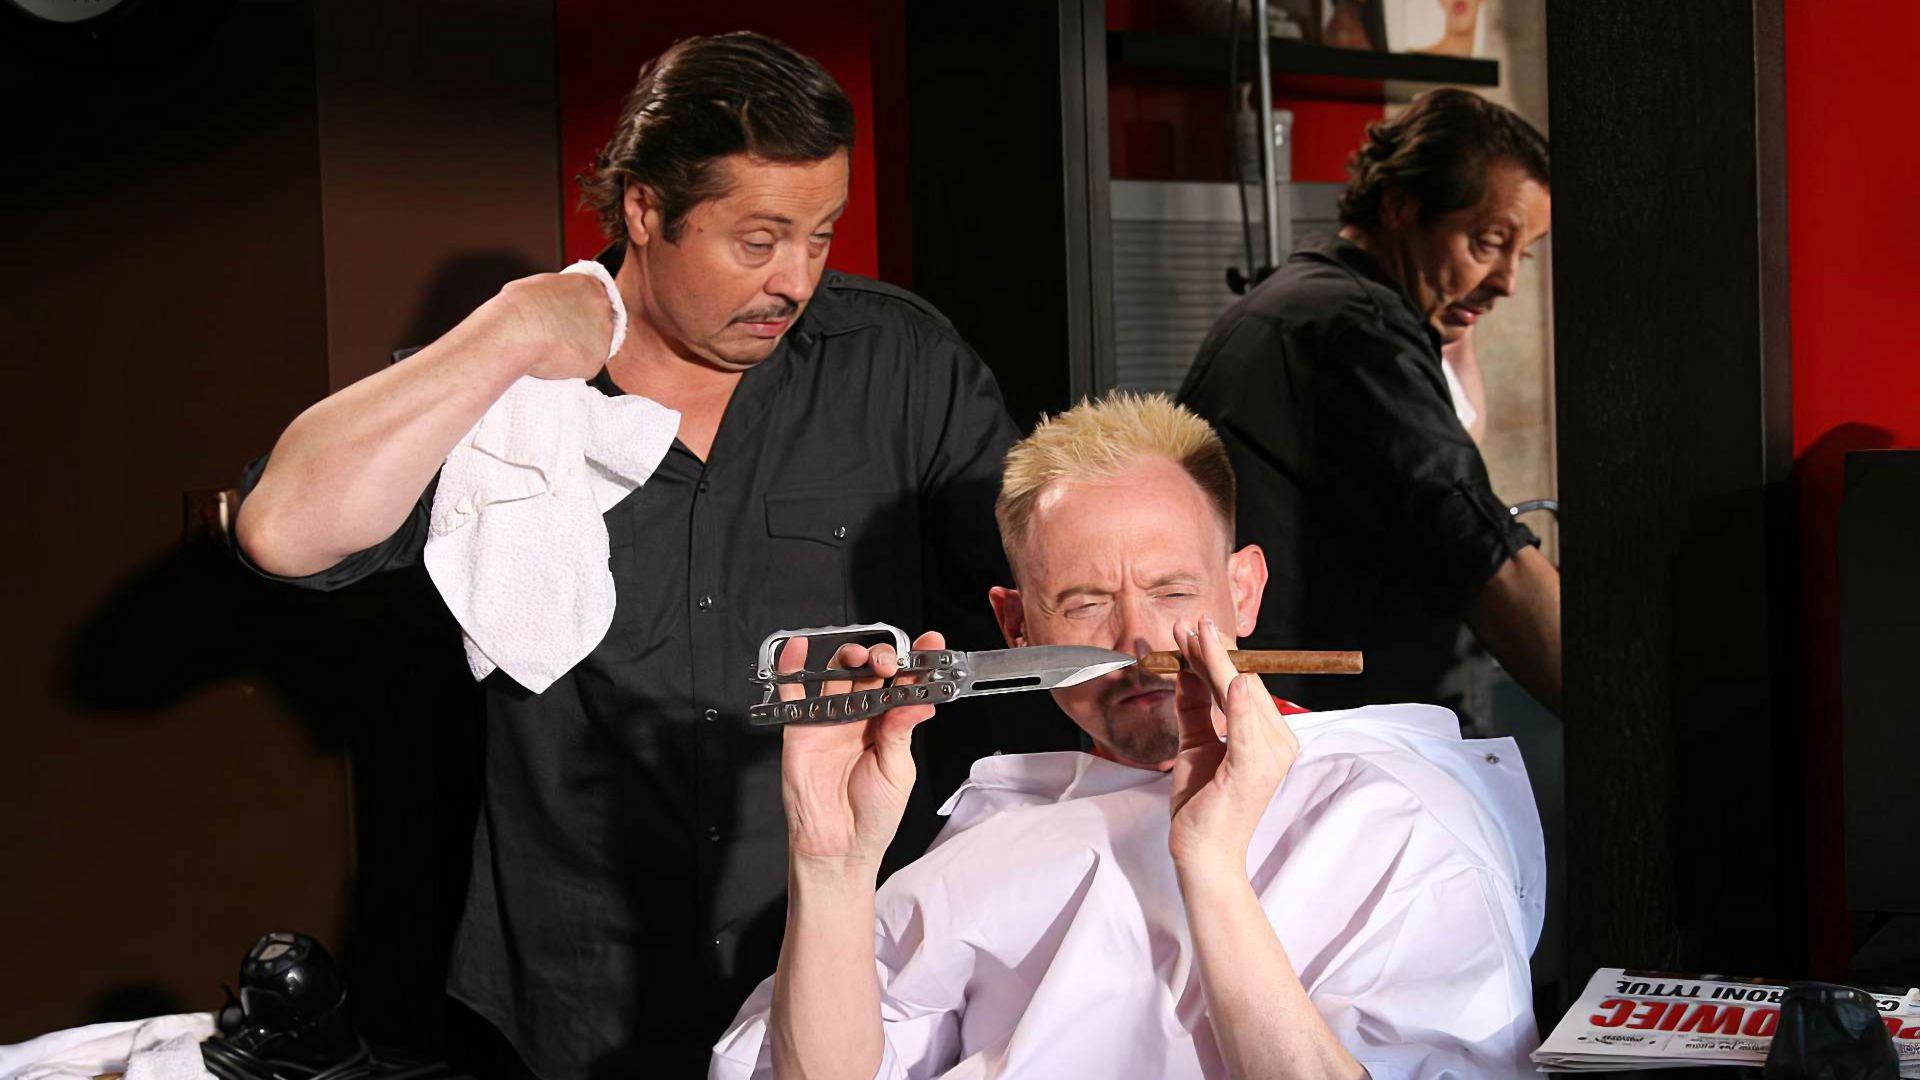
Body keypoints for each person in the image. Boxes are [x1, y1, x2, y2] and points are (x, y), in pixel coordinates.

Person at [234, 32, 1031, 1080]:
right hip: (578, 989)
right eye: (758, 240)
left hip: (854, 967)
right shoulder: (511, 390)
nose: (794, 279)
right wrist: (507, 332)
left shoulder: (899, 363)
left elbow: (1033, 584)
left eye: (820, 235)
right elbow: (282, 531)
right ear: (646, 210)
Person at [711, 394, 1545, 1080]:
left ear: (1243, 592)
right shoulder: (994, 830)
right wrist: (832, 865)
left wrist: (1212, 868)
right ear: (1016, 627)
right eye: (1084, 603)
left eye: (1172, 591)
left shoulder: (1397, 817)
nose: (1136, 641)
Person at [1177, 88, 1558, 730]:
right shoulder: (1356, 332)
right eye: (1488, 242)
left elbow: (1453, 443)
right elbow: (1476, 546)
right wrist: (1634, 716)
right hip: (1338, 738)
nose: (1508, 282)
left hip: (1290, 725)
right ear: (1400, 207)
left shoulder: (1299, 299)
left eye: (1521, 253)